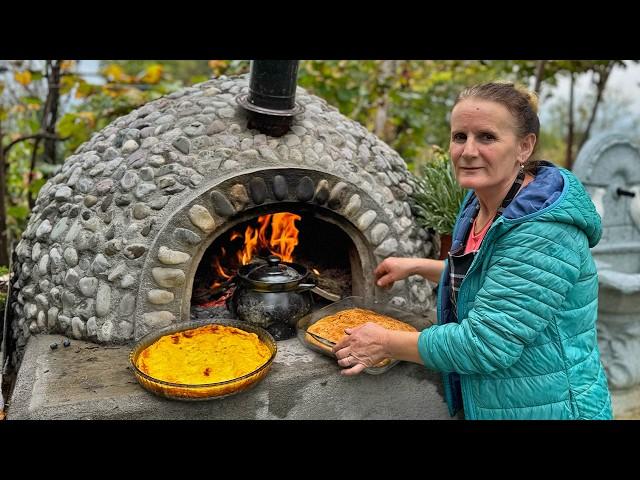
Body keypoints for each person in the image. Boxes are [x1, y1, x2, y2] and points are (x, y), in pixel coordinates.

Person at [333, 82, 613, 420]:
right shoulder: (480, 201)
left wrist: (386, 343)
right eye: (459, 136)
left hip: (550, 406)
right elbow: (491, 274)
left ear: (524, 146)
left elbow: (487, 343)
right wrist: (420, 266)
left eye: (487, 137)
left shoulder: (545, 232)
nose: (467, 151)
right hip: (500, 401)